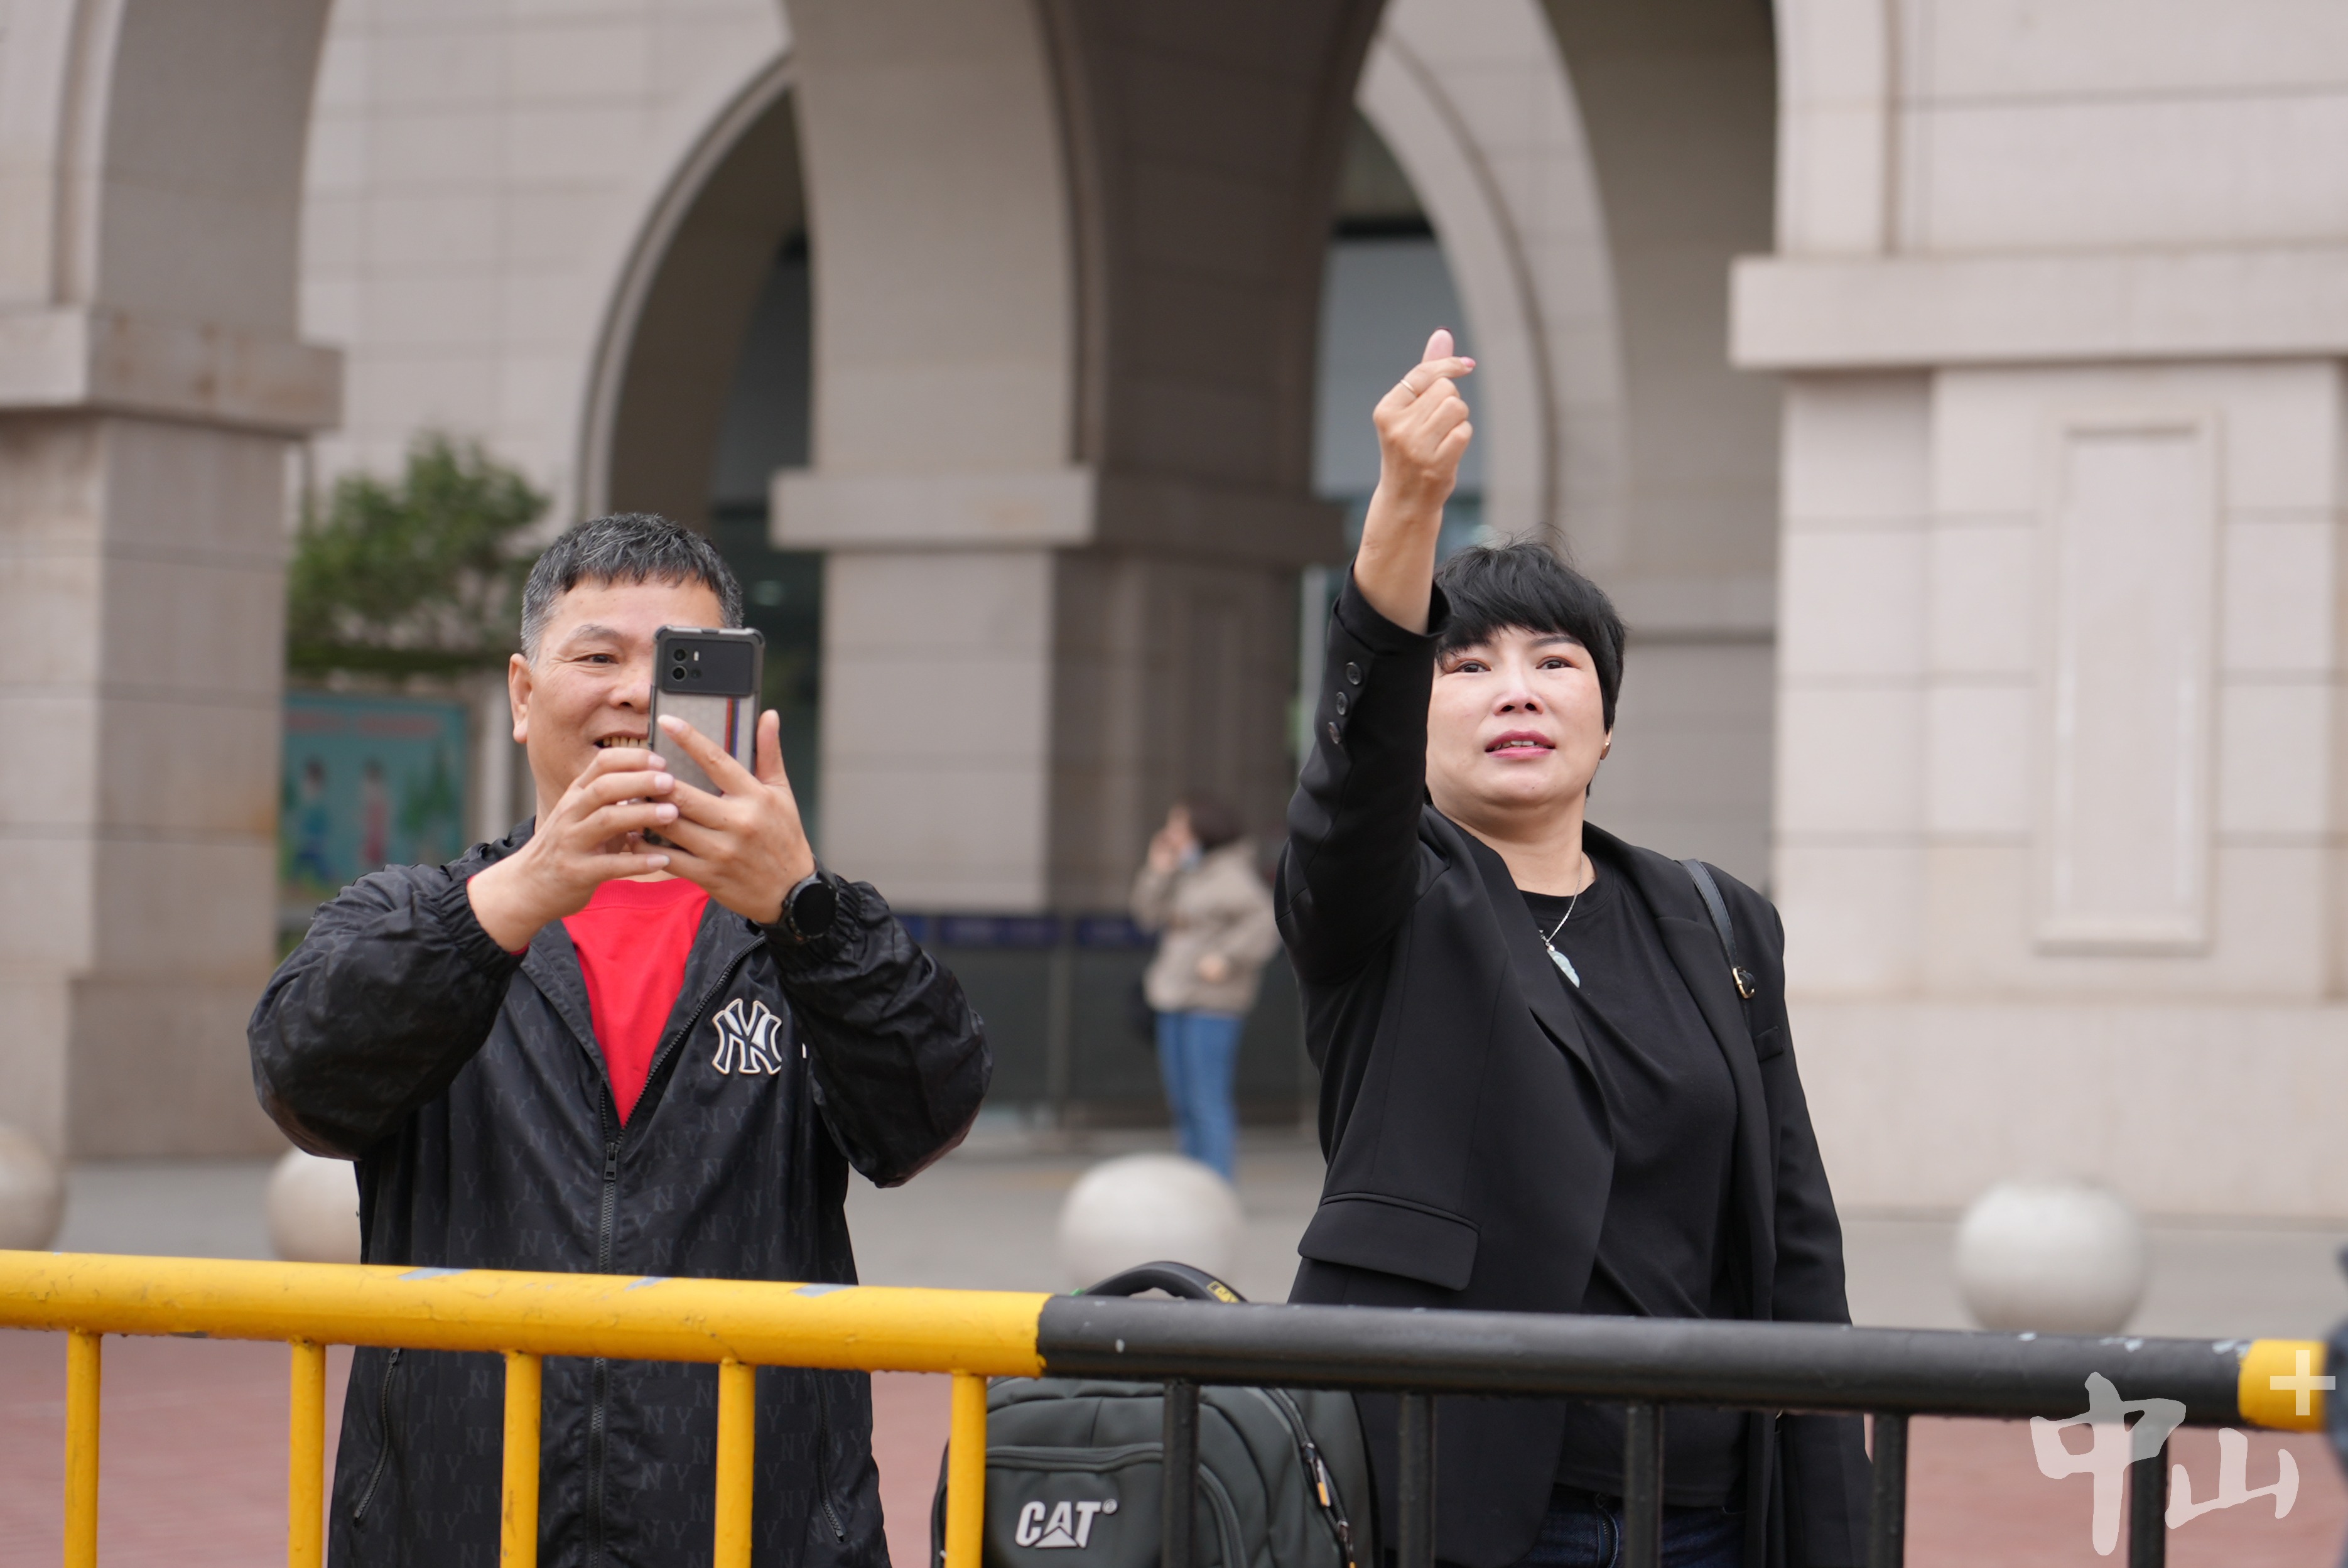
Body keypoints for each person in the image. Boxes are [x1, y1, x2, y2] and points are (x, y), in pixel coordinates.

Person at [250, 514, 990, 1568]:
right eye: (596, 657)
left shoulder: (804, 936)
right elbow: (303, 1080)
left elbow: (924, 1116)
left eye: (681, 663)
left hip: (756, 1528)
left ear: (734, 699)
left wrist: (803, 908)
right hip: (457, 1523)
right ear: (522, 695)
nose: (637, 693)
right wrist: (510, 903)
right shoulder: (417, 914)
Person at [1279, 333, 1869, 1568]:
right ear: (1413, 719)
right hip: (1452, 1497)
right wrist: (1405, 512)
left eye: (1555, 663)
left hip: (1699, 1507)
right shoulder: (1385, 898)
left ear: (1604, 726)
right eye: (1467, 665)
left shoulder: (1715, 920)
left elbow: (1793, 1246)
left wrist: (1833, 1528)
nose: (1517, 690)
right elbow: (1349, 783)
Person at [1130, 794, 1279, 1181]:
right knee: (1182, 1100)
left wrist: (1226, 958)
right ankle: (1193, 1182)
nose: (1171, 834)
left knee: (1206, 1098)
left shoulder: (1231, 873)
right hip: (1173, 996)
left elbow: (1265, 922)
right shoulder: (1186, 871)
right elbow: (1146, 916)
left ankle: (1215, 1183)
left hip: (1213, 1003)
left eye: (1179, 825)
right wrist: (1157, 871)